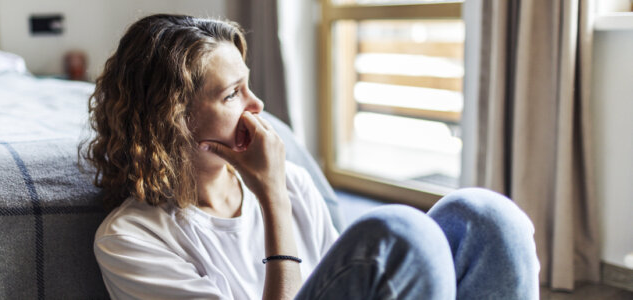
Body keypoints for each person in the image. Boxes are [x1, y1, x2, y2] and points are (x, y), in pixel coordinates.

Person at [82, 14, 540, 300]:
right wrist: (273, 200)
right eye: (231, 95)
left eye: (250, 84)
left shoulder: (294, 180)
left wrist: (279, 188)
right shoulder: (130, 238)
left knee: (484, 215)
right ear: (173, 119)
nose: (257, 106)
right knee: (398, 234)